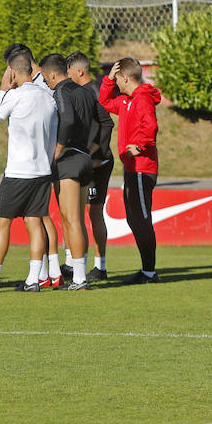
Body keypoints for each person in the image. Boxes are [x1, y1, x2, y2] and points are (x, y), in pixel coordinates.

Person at [0, 52, 57, 293]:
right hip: (43, 170)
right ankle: (33, 279)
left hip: (19, 172)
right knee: (34, 222)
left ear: (12, 72)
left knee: (1, 223)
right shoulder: (49, 97)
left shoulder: (15, 96)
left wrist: (3, 89)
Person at [1, 44, 62, 287]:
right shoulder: (37, 85)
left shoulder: (41, 87)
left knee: (42, 217)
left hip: (38, 161)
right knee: (40, 217)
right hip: (41, 160)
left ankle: (53, 270)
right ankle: (46, 273)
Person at [98, 57, 161, 284]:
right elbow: (103, 103)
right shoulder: (126, 101)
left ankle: (149, 272)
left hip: (142, 168)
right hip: (132, 169)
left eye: (117, 80)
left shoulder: (142, 98)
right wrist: (106, 80)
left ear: (125, 77)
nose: (116, 84)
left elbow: (151, 126)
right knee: (134, 219)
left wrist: (140, 146)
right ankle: (146, 271)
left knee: (141, 219)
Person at [40, 53, 100, 291]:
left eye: (46, 78)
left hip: (69, 160)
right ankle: (79, 273)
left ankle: (79, 279)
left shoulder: (62, 92)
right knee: (79, 221)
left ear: (53, 74)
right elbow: (98, 123)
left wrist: (59, 148)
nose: (46, 82)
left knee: (71, 219)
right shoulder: (85, 91)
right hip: (85, 157)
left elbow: (66, 120)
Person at [67, 51, 114, 281]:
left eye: (69, 72)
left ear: (79, 72)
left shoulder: (93, 93)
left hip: (98, 162)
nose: (67, 77)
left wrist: (96, 153)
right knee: (75, 210)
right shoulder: (82, 93)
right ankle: (74, 263)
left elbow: (107, 123)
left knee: (93, 212)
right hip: (85, 159)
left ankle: (100, 267)